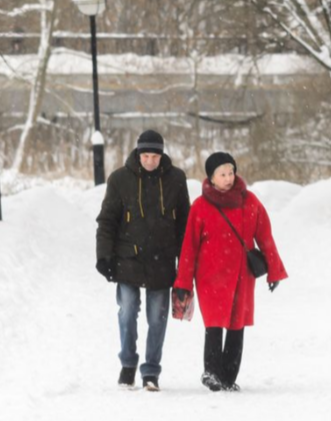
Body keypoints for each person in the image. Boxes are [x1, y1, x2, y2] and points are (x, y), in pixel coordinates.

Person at [172, 151, 287, 391]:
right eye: (222, 174)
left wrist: (274, 271)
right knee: (214, 324)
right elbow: (189, 247)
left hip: (242, 276)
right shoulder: (200, 206)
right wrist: (183, 282)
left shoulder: (251, 201)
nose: (228, 178)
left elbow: (265, 237)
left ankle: (228, 377)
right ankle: (212, 373)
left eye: (231, 172)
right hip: (209, 277)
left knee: (237, 325)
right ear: (211, 178)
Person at [95, 129, 190, 391]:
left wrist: (186, 265)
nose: (150, 161)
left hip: (162, 261)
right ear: (138, 154)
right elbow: (107, 221)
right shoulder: (119, 180)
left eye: (155, 156)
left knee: (158, 318)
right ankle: (128, 365)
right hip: (128, 259)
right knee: (127, 312)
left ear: (162, 155)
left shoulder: (176, 179)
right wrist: (104, 256)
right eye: (146, 155)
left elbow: (185, 225)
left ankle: (151, 372)